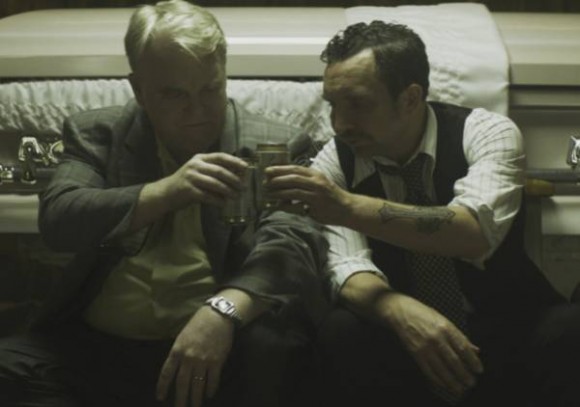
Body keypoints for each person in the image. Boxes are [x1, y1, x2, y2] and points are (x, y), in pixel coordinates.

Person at [0, 1, 328, 406]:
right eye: (174, 94)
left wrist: (223, 311)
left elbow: (293, 241)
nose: (198, 111)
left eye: (211, 89)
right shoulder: (97, 133)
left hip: (216, 346)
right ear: (138, 90)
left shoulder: (272, 145)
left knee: (278, 352)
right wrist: (167, 191)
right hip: (97, 346)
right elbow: (60, 220)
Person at [265, 20, 580, 406]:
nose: (340, 124)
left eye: (358, 104)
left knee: (569, 328)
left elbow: (471, 232)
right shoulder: (335, 159)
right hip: (404, 343)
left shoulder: (486, 132)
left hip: (505, 329)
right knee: (341, 330)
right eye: (333, 105)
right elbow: (347, 268)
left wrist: (345, 206)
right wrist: (399, 310)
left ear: (410, 98)